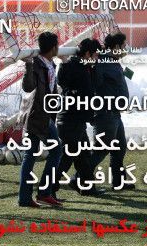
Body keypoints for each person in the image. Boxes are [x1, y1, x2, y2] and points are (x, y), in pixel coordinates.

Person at [54, 38, 104, 196]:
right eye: (95, 55)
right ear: (88, 53)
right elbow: (62, 81)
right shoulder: (73, 66)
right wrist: (63, 63)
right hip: (70, 121)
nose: (97, 59)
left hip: (77, 121)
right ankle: (47, 189)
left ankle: (88, 188)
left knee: (83, 156)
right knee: (67, 158)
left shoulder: (86, 67)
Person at [18, 32, 63, 208]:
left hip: (45, 116)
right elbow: (28, 86)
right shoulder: (37, 64)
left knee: (34, 154)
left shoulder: (51, 64)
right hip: (37, 116)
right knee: (50, 151)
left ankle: (35, 195)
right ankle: (40, 193)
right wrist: (28, 66)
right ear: (53, 47)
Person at [89, 32, 135, 191]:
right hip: (105, 114)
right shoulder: (102, 62)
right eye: (123, 46)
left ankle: (118, 181)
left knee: (120, 148)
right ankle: (80, 177)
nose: (125, 49)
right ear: (115, 47)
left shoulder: (113, 61)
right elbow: (95, 85)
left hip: (115, 114)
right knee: (102, 149)